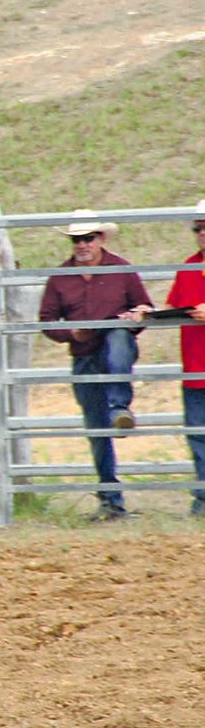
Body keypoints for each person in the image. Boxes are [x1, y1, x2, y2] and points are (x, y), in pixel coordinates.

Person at [37, 210, 152, 521]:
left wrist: (137, 315)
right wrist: (72, 332)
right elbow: (46, 320)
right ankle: (110, 499)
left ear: (100, 239)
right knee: (96, 429)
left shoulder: (122, 269)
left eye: (88, 238)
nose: (82, 244)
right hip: (84, 353)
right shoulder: (61, 276)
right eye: (77, 239)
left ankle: (119, 406)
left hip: (112, 347)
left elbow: (144, 306)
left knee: (117, 336)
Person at [163, 202, 205, 518]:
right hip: (195, 367)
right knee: (198, 436)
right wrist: (146, 314)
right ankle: (203, 497)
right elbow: (174, 307)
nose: (202, 234)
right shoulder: (189, 266)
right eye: (198, 228)